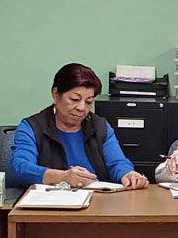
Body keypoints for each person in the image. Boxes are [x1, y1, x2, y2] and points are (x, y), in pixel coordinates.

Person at [11, 63, 149, 189]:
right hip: (51, 207)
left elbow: (117, 162)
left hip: (98, 204)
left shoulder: (100, 127)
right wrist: (62, 177)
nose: (82, 108)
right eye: (74, 99)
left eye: (89, 102)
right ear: (55, 94)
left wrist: (128, 174)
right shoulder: (32, 127)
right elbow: (20, 168)